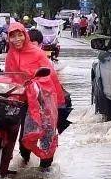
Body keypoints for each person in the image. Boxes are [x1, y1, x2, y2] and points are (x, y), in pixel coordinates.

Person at [4, 23, 66, 170]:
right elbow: (9, 78)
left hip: (43, 99)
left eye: (20, 35)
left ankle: (45, 169)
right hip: (23, 99)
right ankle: (25, 163)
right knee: (25, 135)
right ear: (9, 38)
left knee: (47, 133)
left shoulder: (37, 53)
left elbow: (51, 76)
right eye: (13, 36)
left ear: (25, 36)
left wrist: (37, 87)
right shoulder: (10, 55)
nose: (17, 39)